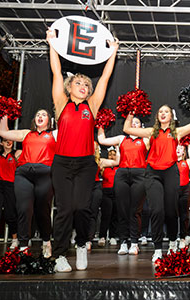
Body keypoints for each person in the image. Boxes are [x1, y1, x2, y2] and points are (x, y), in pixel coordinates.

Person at [46, 28, 119, 272]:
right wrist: (52, 43)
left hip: (86, 164)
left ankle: (80, 245)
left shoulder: (92, 105)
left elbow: (105, 79)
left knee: (82, 207)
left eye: (86, 84)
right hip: (62, 163)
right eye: (78, 83)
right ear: (69, 87)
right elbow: (56, 71)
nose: (84, 86)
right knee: (65, 209)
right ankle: (59, 255)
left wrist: (113, 53)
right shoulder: (61, 103)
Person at [122, 106, 190, 262]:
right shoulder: (152, 132)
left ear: (171, 116)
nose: (163, 113)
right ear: (157, 117)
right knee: (156, 210)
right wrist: (131, 114)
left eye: (166, 111)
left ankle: (172, 242)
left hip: (171, 171)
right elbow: (126, 128)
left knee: (171, 211)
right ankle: (157, 248)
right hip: (153, 173)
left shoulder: (177, 132)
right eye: (160, 112)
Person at [0, 110, 56, 257]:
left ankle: (46, 241)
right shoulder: (26, 134)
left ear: (49, 120)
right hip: (24, 173)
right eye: (37, 115)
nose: (40, 116)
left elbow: (68, 126)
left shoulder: (54, 134)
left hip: (45, 174)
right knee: (24, 209)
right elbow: (3, 132)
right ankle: (23, 247)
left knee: (43, 210)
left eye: (43, 115)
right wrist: (4, 111)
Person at [98, 122, 148, 256]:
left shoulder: (145, 140)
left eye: (137, 122)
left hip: (139, 174)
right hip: (122, 174)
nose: (133, 124)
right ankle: (124, 242)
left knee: (135, 210)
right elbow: (102, 140)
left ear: (141, 127)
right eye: (131, 122)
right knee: (122, 210)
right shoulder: (121, 139)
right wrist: (101, 124)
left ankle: (134, 242)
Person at [98, 147, 120, 247]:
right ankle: (102, 236)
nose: (112, 156)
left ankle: (112, 236)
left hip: (116, 193)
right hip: (106, 193)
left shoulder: (118, 167)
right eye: (110, 154)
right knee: (106, 215)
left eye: (114, 154)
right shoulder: (104, 166)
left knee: (114, 216)